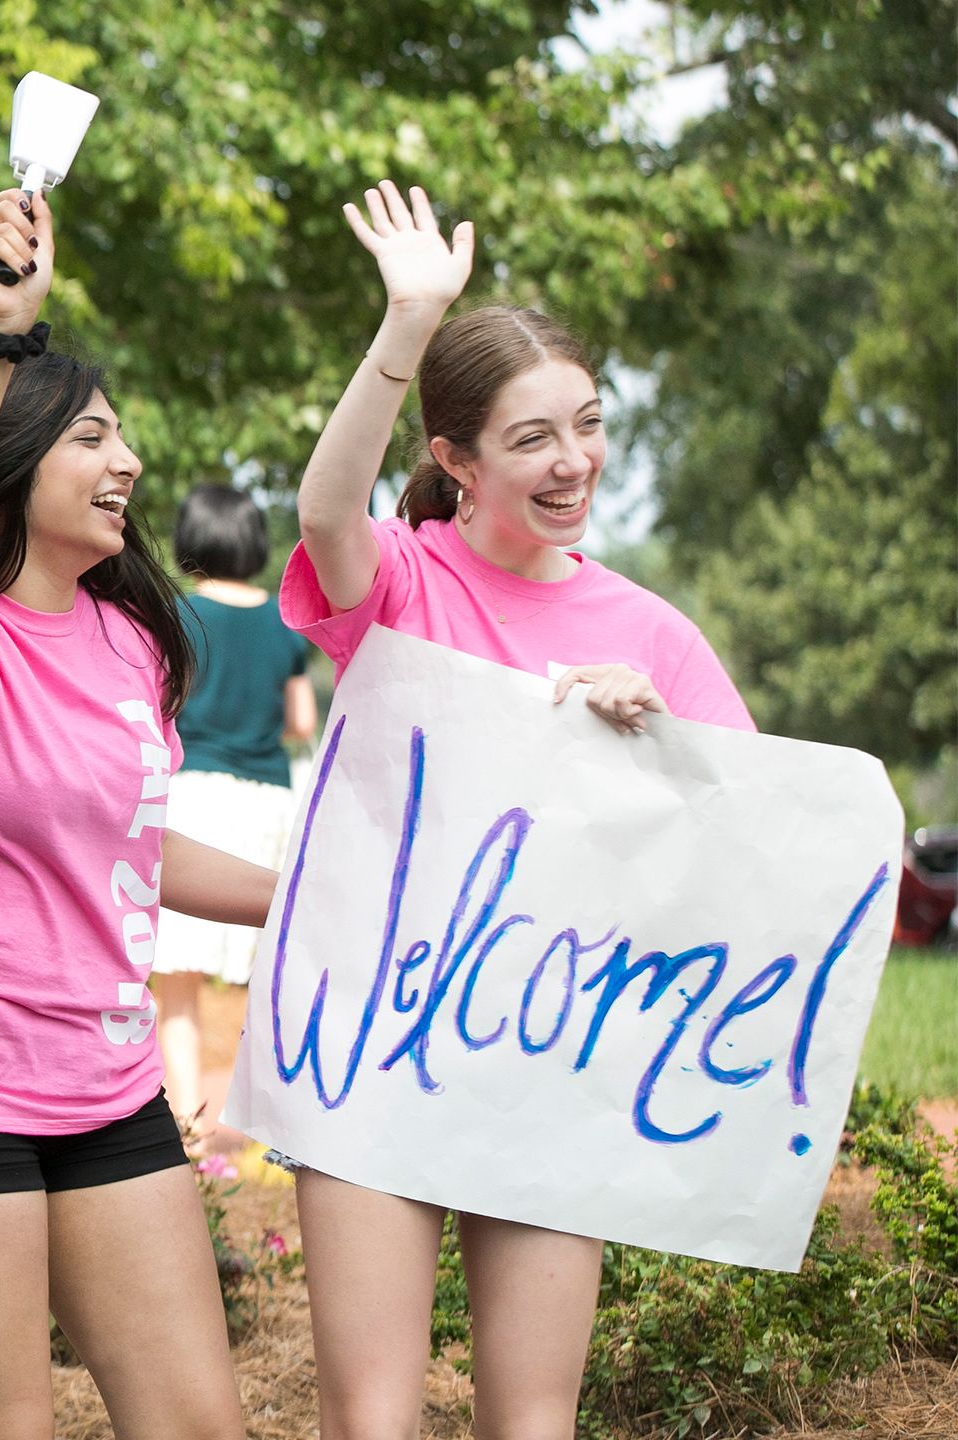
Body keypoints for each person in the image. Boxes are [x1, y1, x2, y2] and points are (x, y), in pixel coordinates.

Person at [283, 180, 754, 1439]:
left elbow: (752, 841)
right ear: (453, 459)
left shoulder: (655, 634)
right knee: (370, 1417)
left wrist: (660, 747)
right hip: (371, 1042)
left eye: (587, 427)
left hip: (551, 1047)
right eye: (533, 438)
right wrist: (406, 322)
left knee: (533, 1421)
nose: (574, 464)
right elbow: (325, 512)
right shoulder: (400, 580)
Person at [0, 187, 273, 1440]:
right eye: (89, 438)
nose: (125, 463)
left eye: (120, 439)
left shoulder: (128, 641)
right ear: (12, 460)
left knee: (196, 1424)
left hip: (105, 1076)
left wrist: (312, 896)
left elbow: (129, 849)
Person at [155, 484, 316, 1130]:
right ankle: (272, 1125)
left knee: (179, 983)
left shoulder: (175, 614)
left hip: (191, 798)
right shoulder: (284, 622)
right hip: (266, 801)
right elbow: (302, 719)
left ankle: (190, 1123)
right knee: (267, 975)